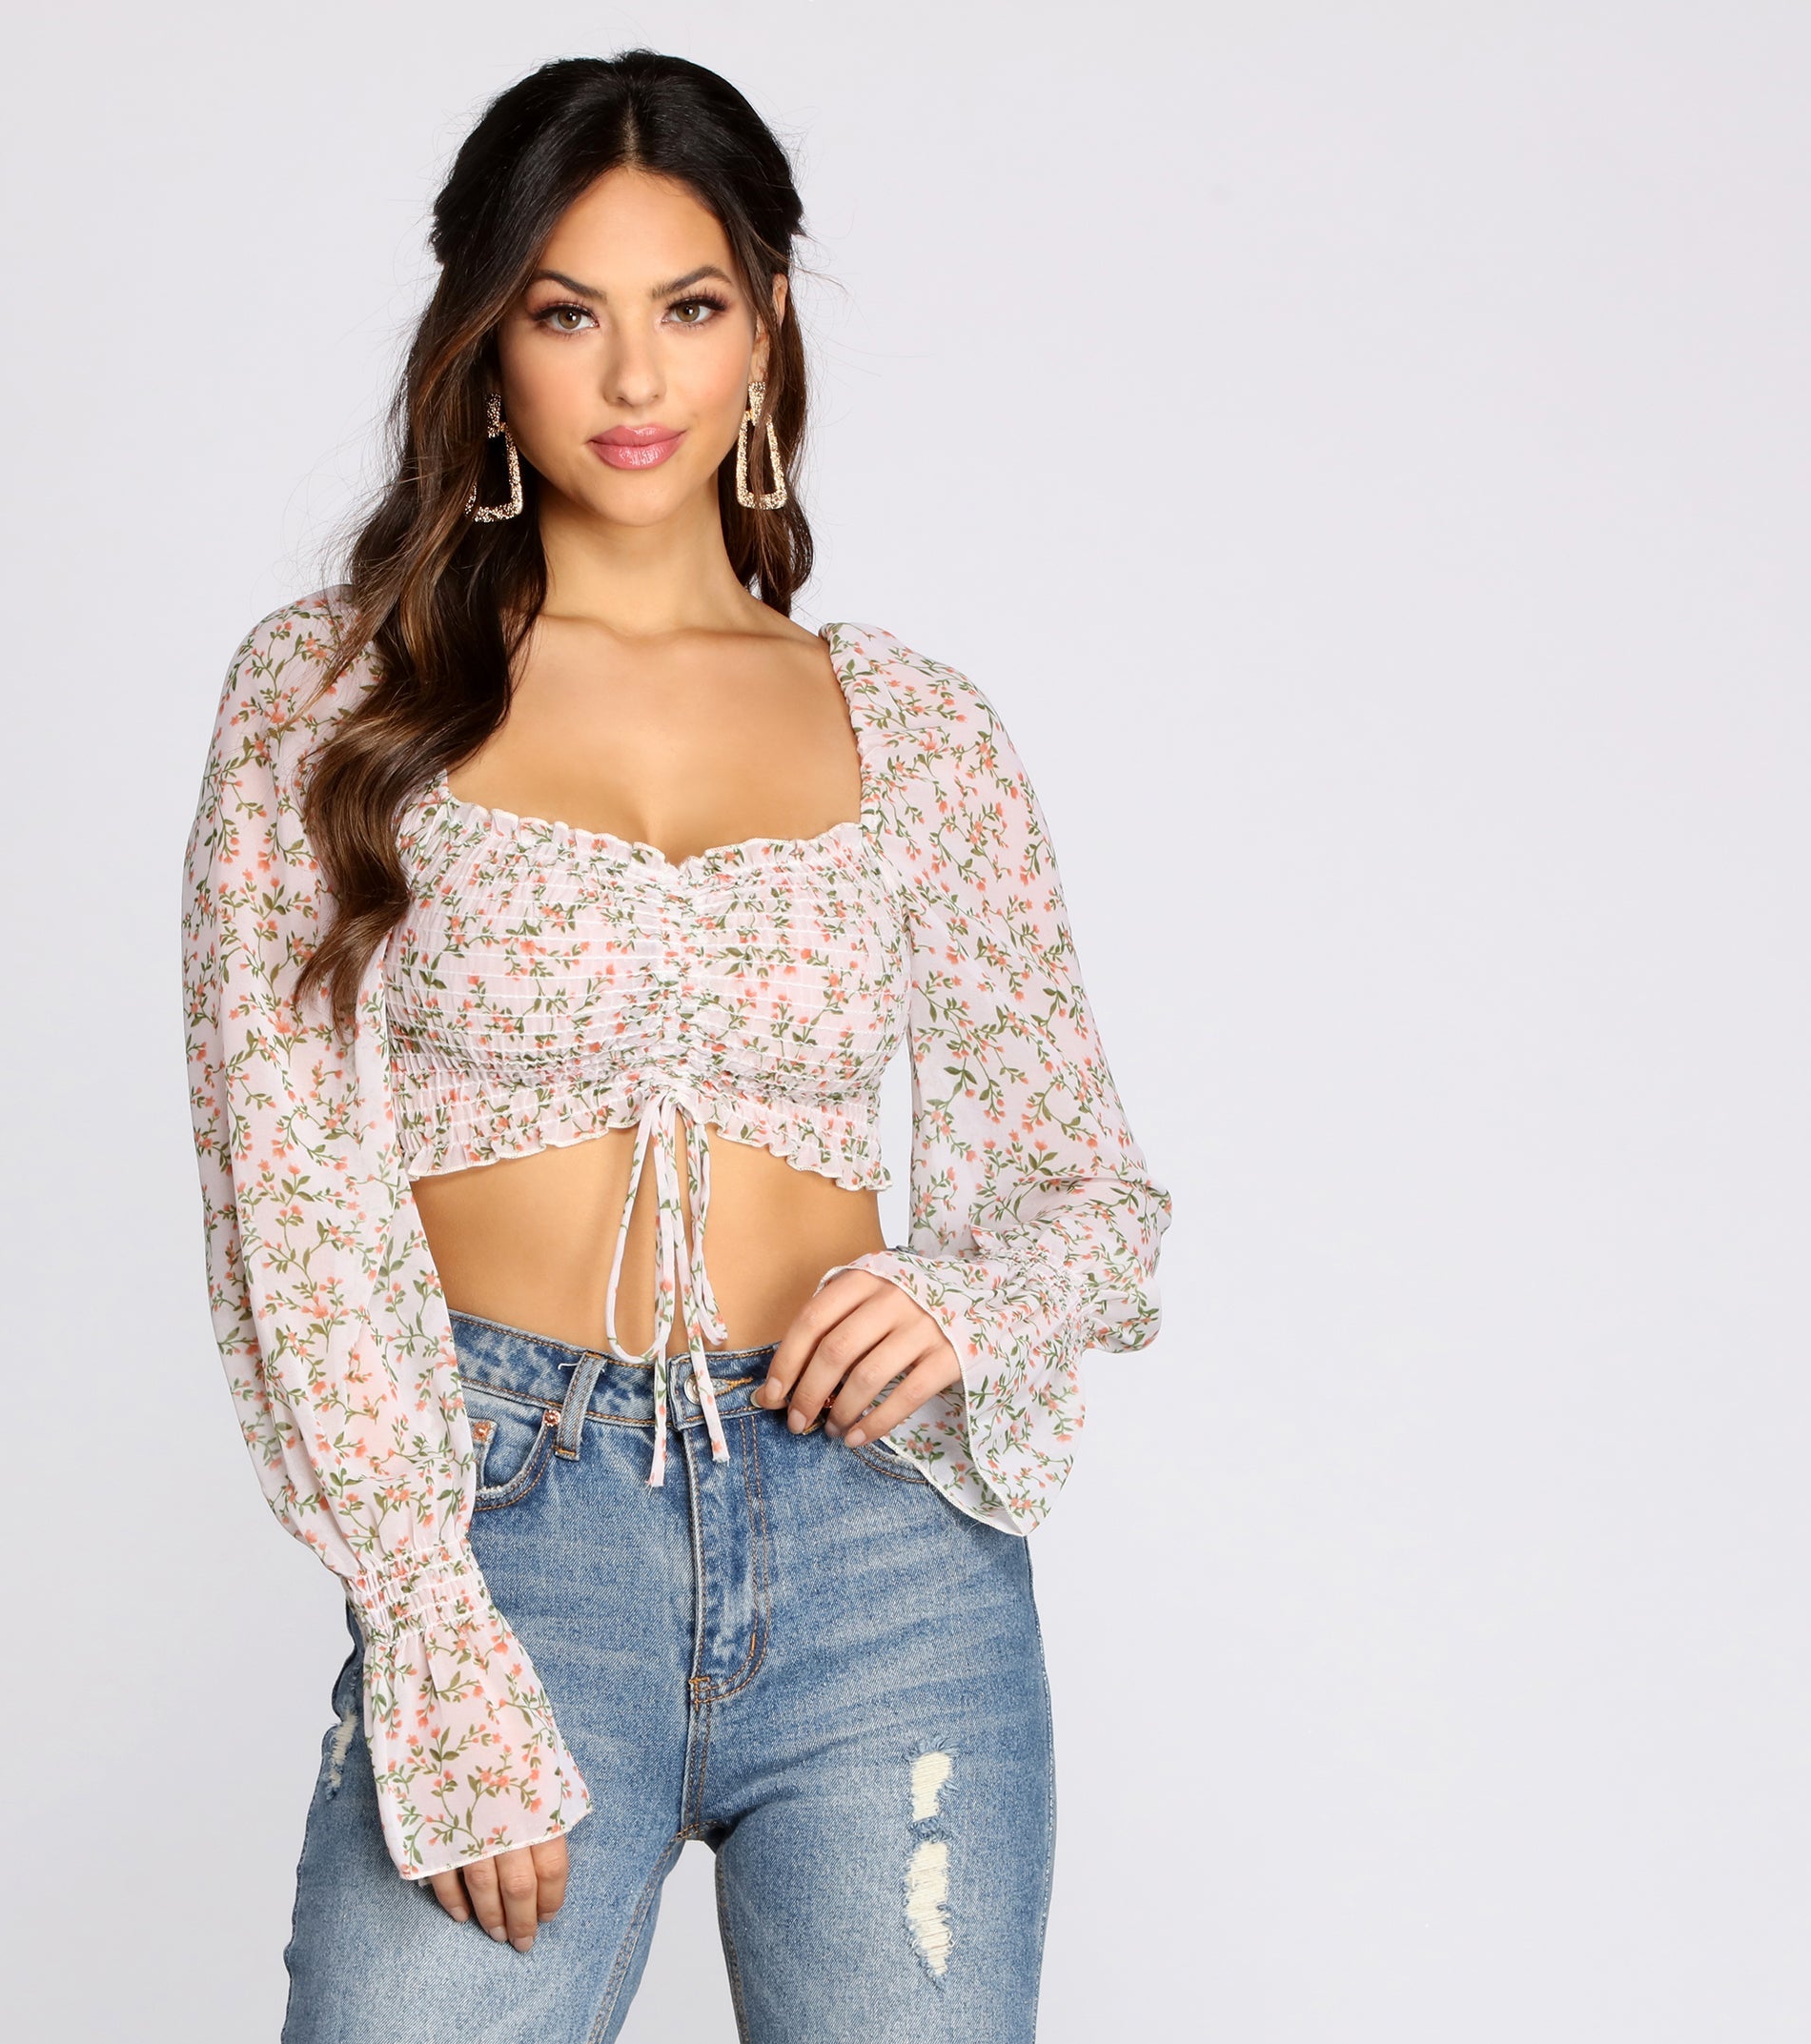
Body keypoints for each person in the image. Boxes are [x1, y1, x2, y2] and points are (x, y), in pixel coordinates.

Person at [182, 50, 1170, 2044]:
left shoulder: (919, 729)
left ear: (765, 324)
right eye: (567, 314)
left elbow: (1093, 1195)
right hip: (508, 1528)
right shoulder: (335, 697)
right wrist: (428, 1622)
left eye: (689, 305)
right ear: (486, 343)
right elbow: (283, 1192)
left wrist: (957, 1293)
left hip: (883, 1555)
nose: (635, 377)